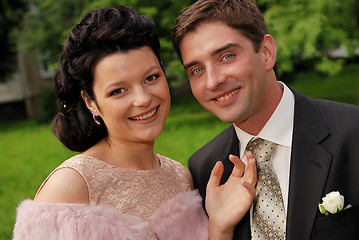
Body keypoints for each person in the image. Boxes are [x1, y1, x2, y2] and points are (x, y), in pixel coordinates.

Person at [13, 5, 258, 240]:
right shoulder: (70, 188)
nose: (143, 99)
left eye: (151, 77)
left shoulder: (180, 176)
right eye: (118, 91)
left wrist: (220, 227)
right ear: (90, 102)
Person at [172, 0, 359, 239]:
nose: (212, 81)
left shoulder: (353, 134)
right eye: (197, 70)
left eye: (226, 56)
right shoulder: (204, 169)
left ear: (267, 53)